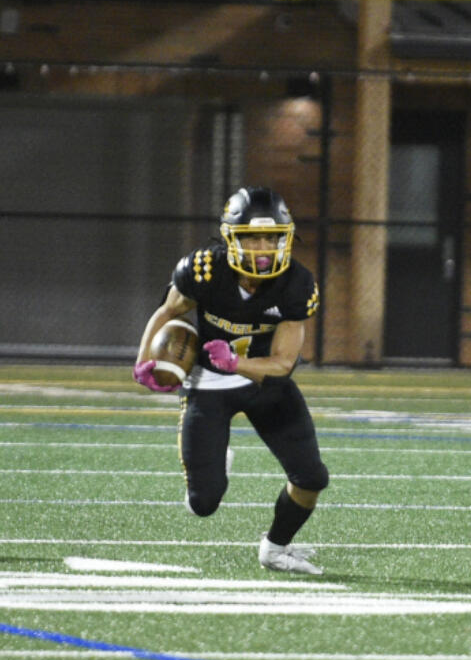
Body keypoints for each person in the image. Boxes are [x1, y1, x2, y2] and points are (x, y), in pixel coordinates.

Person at [133, 186, 329, 575]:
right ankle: (211, 460)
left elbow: (284, 362)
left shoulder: (297, 284)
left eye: (271, 238)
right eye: (252, 237)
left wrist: (237, 363)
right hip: (207, 383)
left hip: (264, 384)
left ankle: (275, 548)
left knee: (311, 477)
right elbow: (167, 311)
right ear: (230, 239)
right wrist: (143, 362)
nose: (262, 248)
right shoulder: (204, 269)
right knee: (202, 504)